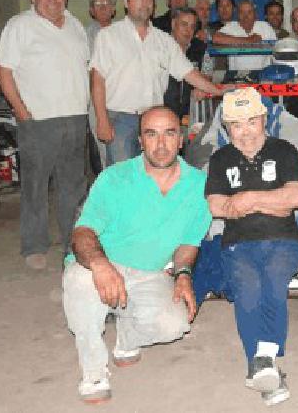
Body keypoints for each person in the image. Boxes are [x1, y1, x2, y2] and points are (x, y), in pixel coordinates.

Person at [62, 106, 212, 404]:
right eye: (151, 134)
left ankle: (127, 336)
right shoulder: (115, 178)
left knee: (174, 326)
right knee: (81, 283)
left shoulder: (199, 186)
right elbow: (82, 233)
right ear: (140, 141)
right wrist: (101, 265)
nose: (160, 144)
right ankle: (94, 370)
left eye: (169, 133)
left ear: (181, 139)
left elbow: (188, 242)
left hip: (150, 273)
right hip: (101, 263)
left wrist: (183, 275)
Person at [205, 88, 298, 406]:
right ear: (226, 127)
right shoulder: (221, 158)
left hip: (283, 241)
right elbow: (216, 206)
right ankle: (264, 365)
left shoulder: (284, 150)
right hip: (238, 243)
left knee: (274, 283)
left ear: (264, 119)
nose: (245, 131)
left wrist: (247, 200)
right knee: (247, 288)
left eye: (251, 122)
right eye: (236, 124)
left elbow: (294, 199)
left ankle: (261, 362)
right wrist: (270, 202)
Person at [0, 0, 90, 270]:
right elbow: (2, 71)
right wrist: (21, 111)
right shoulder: (20, 26)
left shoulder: (75, 25)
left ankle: (72, 245)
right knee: (35, 186)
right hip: (39, 122)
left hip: (75, 119)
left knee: (72, 188)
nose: (52, 0)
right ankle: (34, 245)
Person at [90, 0, 224, 166]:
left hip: (154, 120)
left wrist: (219, 90)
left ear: (153, 5)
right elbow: (97, 79)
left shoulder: (164, 41)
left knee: (154, 173)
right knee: (125, 177)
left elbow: (189, 73)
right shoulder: (108, 36)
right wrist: (101, 119)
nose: (144, 4)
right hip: (120, 120)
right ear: (126, 4)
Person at [86, 0, 117, 174]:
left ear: (113, 9)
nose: (103, 6)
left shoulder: (122, 32)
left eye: (107, 3)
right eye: (98, 4)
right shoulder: (85, 35)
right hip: (98, 102)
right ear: (91, 10)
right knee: (104, 152)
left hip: (122, 101)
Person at [163, 7, 213, 120]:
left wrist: (202, 86)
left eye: (192, 26)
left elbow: (208, 73)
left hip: (190, 113)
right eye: (184, 24)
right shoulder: (160, 46)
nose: (188, 30)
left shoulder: (201, 48)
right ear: (173, 24)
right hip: (162, 111)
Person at [213, 0, 277, 82]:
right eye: (242, 12)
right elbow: (216, 38)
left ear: (255, 14)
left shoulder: (265, 27)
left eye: (249, 12)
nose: (245, 16)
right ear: (237, 14)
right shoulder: (231, 26)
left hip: (263, 76)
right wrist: (249, 40)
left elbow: (276, 52)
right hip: (236, 77)